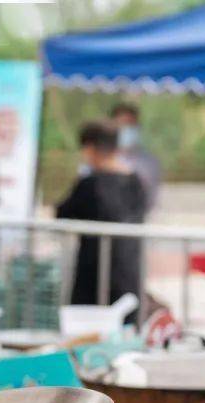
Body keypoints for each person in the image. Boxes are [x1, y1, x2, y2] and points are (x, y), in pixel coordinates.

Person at [57, 120, 146, 313]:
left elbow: (63, 213)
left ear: (89, 149)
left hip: (93, 278)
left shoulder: (90, 184)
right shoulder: (136, 183)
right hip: (129, 275)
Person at [111, 102, 160, 217]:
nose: (127, 129)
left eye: (131, 125)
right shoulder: (100, 160)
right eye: (123, 125)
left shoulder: (150, 163)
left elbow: (151, 198)